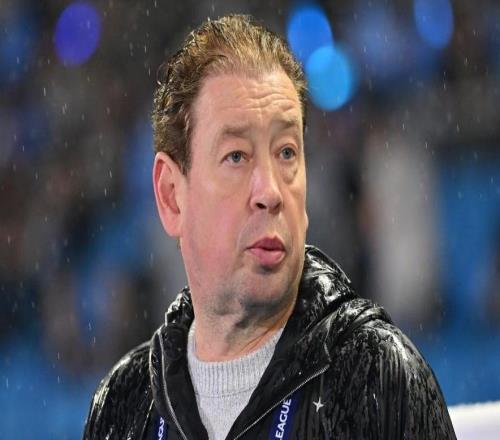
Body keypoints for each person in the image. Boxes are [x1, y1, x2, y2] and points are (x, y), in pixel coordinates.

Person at [83, 14, 456, 440]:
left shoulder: (377, 377)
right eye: (236, 156)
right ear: (171, 196)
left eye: (286, 152)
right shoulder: (124, 404)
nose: (271, 191)